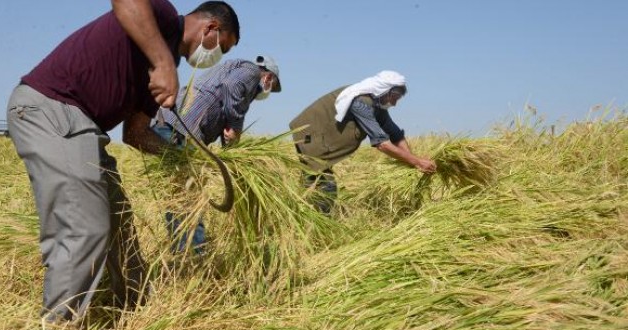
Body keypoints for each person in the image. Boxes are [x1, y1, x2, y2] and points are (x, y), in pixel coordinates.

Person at [6, 0, 240, 324]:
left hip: (85, 128)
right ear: (211, 29)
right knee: (85, 228)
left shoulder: (165, 59)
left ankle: (134, 314)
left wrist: (181, 157)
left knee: (120, 225)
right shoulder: (163, 17)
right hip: (52, 109)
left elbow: (135, 134)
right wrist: (163, 64)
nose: (217, 56)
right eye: (222, 48)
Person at [152, 55, 282, 253]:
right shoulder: (251, 72)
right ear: (268, 78)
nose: (266, 91)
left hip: (175, 127)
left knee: (179, 194)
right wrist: (236, 126)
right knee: (189, 195)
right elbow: (232, 86)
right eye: (271, 87)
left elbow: (227, 119)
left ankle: (183, 253)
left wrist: (233, 155)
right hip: (180, 128)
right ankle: (194, 254)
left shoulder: (237, 78)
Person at [289, 70, 436, 213]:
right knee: (325, 184)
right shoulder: (361, 102)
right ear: (385, 91)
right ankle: (318, 223)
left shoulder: (378, 107)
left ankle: (300, 212)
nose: (395, 104)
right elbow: (382, 144)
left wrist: (411, 161)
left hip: (319, 138)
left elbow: (396, 135)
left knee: (312, 181)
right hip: (310, 134)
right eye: (394, 98)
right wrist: (416, 161)